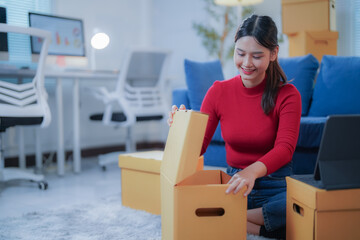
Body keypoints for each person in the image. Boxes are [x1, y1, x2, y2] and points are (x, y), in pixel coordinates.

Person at [169, 15, 301, 239]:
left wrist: (251, 172)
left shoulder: (288, 95)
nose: (247, 63)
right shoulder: (218, 91)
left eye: (257, 56)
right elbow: (198, 148)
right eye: (240, 54)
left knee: (305, 205)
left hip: (276, 184)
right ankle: (257, 224)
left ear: (274, 54)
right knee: (189, 200)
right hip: (235, 185)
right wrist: (180, 128)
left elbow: (285, 148)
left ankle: (236, 219)